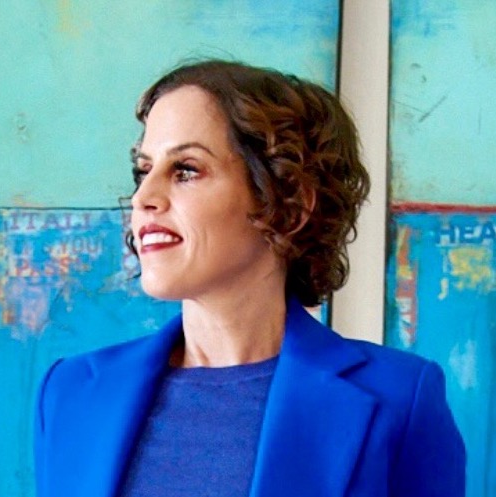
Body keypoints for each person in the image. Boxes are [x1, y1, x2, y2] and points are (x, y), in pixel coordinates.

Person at [34, 60, 466, 497]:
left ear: (289, 203)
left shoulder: (400, 399)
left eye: (186, 170)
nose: (143, 197)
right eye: (143, 171)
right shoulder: (70, 393)